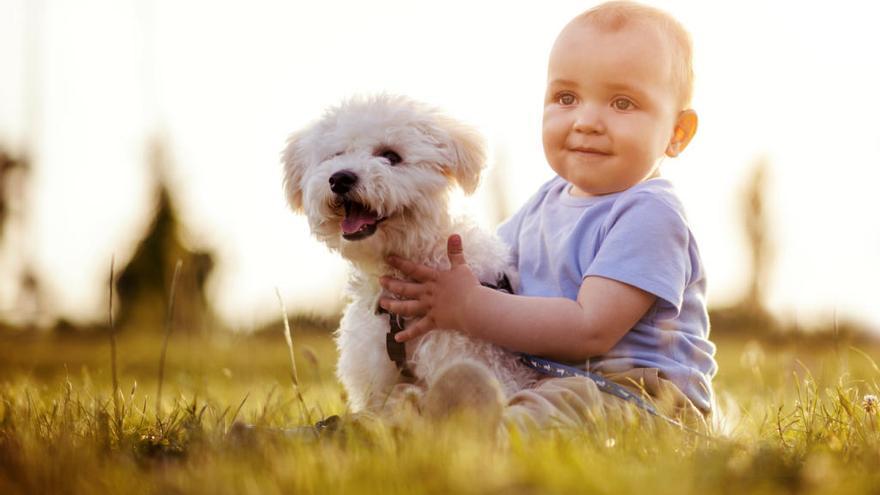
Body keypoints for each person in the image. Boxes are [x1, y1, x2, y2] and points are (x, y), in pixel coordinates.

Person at [379, 0, 717, 430]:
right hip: (548, 382)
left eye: (623, 103)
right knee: (414, 399)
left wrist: (470, 307)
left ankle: (492, 434)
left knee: (563, 406)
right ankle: (354, 435)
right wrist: (425, 266)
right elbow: (490, 271)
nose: (587, 121)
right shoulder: (546, 202)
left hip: (643, 397)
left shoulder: (650, 213)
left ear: (677, 133)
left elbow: (588, 329)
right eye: (566, 97)